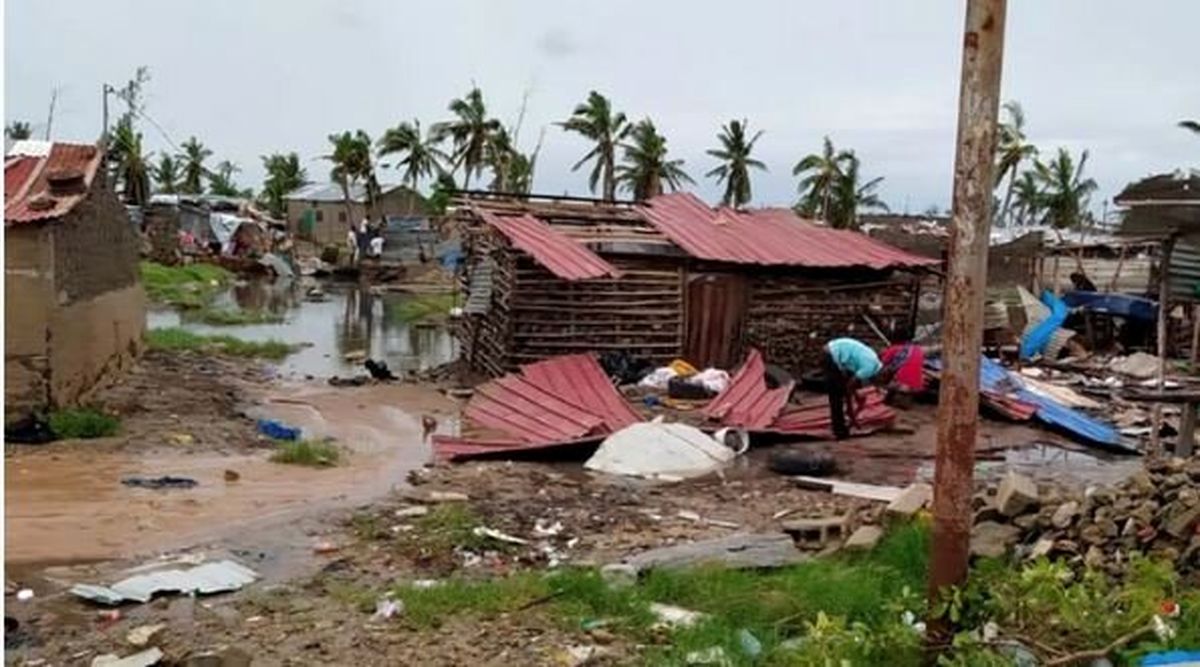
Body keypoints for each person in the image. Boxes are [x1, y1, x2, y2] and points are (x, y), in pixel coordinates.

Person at [822, 337, 894, 440]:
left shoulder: (875, 363)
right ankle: (839, 431)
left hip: (837, 351)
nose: (875, 383)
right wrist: (851, 410)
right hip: (832, 353)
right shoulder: (869, 368)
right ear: (882, 375)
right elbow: (849, 386)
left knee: (840, 390)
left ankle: (841, 425)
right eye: (879, 382)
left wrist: (855, 397)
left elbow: (851, 383)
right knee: (836, 395)